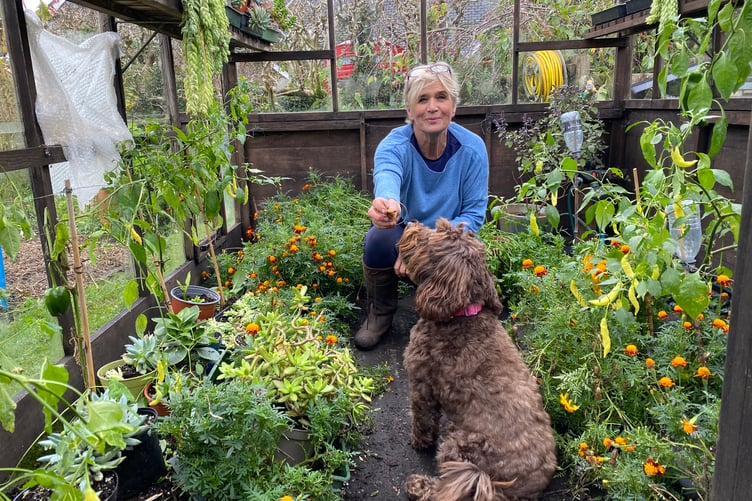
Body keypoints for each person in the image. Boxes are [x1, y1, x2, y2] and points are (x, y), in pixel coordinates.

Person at [354, 62, 490, 350]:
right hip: (402, 234)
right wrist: (387, 205)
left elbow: (474, 215)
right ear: (409, 110)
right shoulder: (394, 146)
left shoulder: (472, 149)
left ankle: (445, 312)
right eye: (422, 99)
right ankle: (381, 311)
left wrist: (423, 247)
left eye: (441, 97)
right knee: (379, 239)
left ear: (454, 107)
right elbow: (387, 177)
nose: (432, 107)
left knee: (467, 251)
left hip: (449, 238)